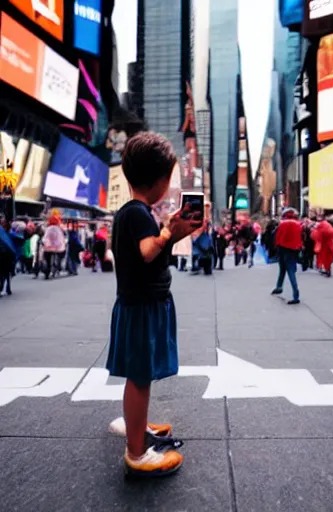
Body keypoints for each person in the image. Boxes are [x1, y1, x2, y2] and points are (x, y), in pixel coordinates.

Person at [106, 132, 200, 477]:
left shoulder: (132, 213)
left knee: (139, 375)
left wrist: (170, 234)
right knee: (140, 377)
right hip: (142, 306)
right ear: (160, 180)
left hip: (139, 304)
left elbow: (146, 251)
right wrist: (167, 234)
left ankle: (135, 425)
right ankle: (136, 451)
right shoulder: (138, 214)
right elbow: (148, 252)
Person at [271, 208, 302, 305]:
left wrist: (276, 248)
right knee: (289, 270)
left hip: (283, 249)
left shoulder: (283, 224)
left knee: (284, 269)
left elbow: (278, 237)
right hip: (293, 250)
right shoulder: (298, 224)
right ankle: (280, 287)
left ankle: (293, 294)